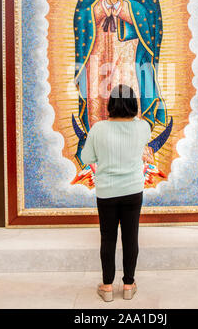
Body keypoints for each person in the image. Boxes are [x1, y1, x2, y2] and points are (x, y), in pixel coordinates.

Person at [73, 0, 168, 169]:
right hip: (98, 47)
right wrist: (103, 7)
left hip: (128, 47)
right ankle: (98, 152)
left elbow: (150, 14)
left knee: (126, 89)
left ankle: (134, 152)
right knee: (99, 92)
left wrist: (122, 6)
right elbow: (81, 15)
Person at [81, 84, 152, 302]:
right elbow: (142, 146)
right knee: (131, 238)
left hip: (106, 192)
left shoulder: (98, 129)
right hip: (133, 189)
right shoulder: (143, 127)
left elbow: (86, 159)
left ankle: (108, 287)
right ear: (134, 104)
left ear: (110, 104)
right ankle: (129, 285)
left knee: (108, 239)